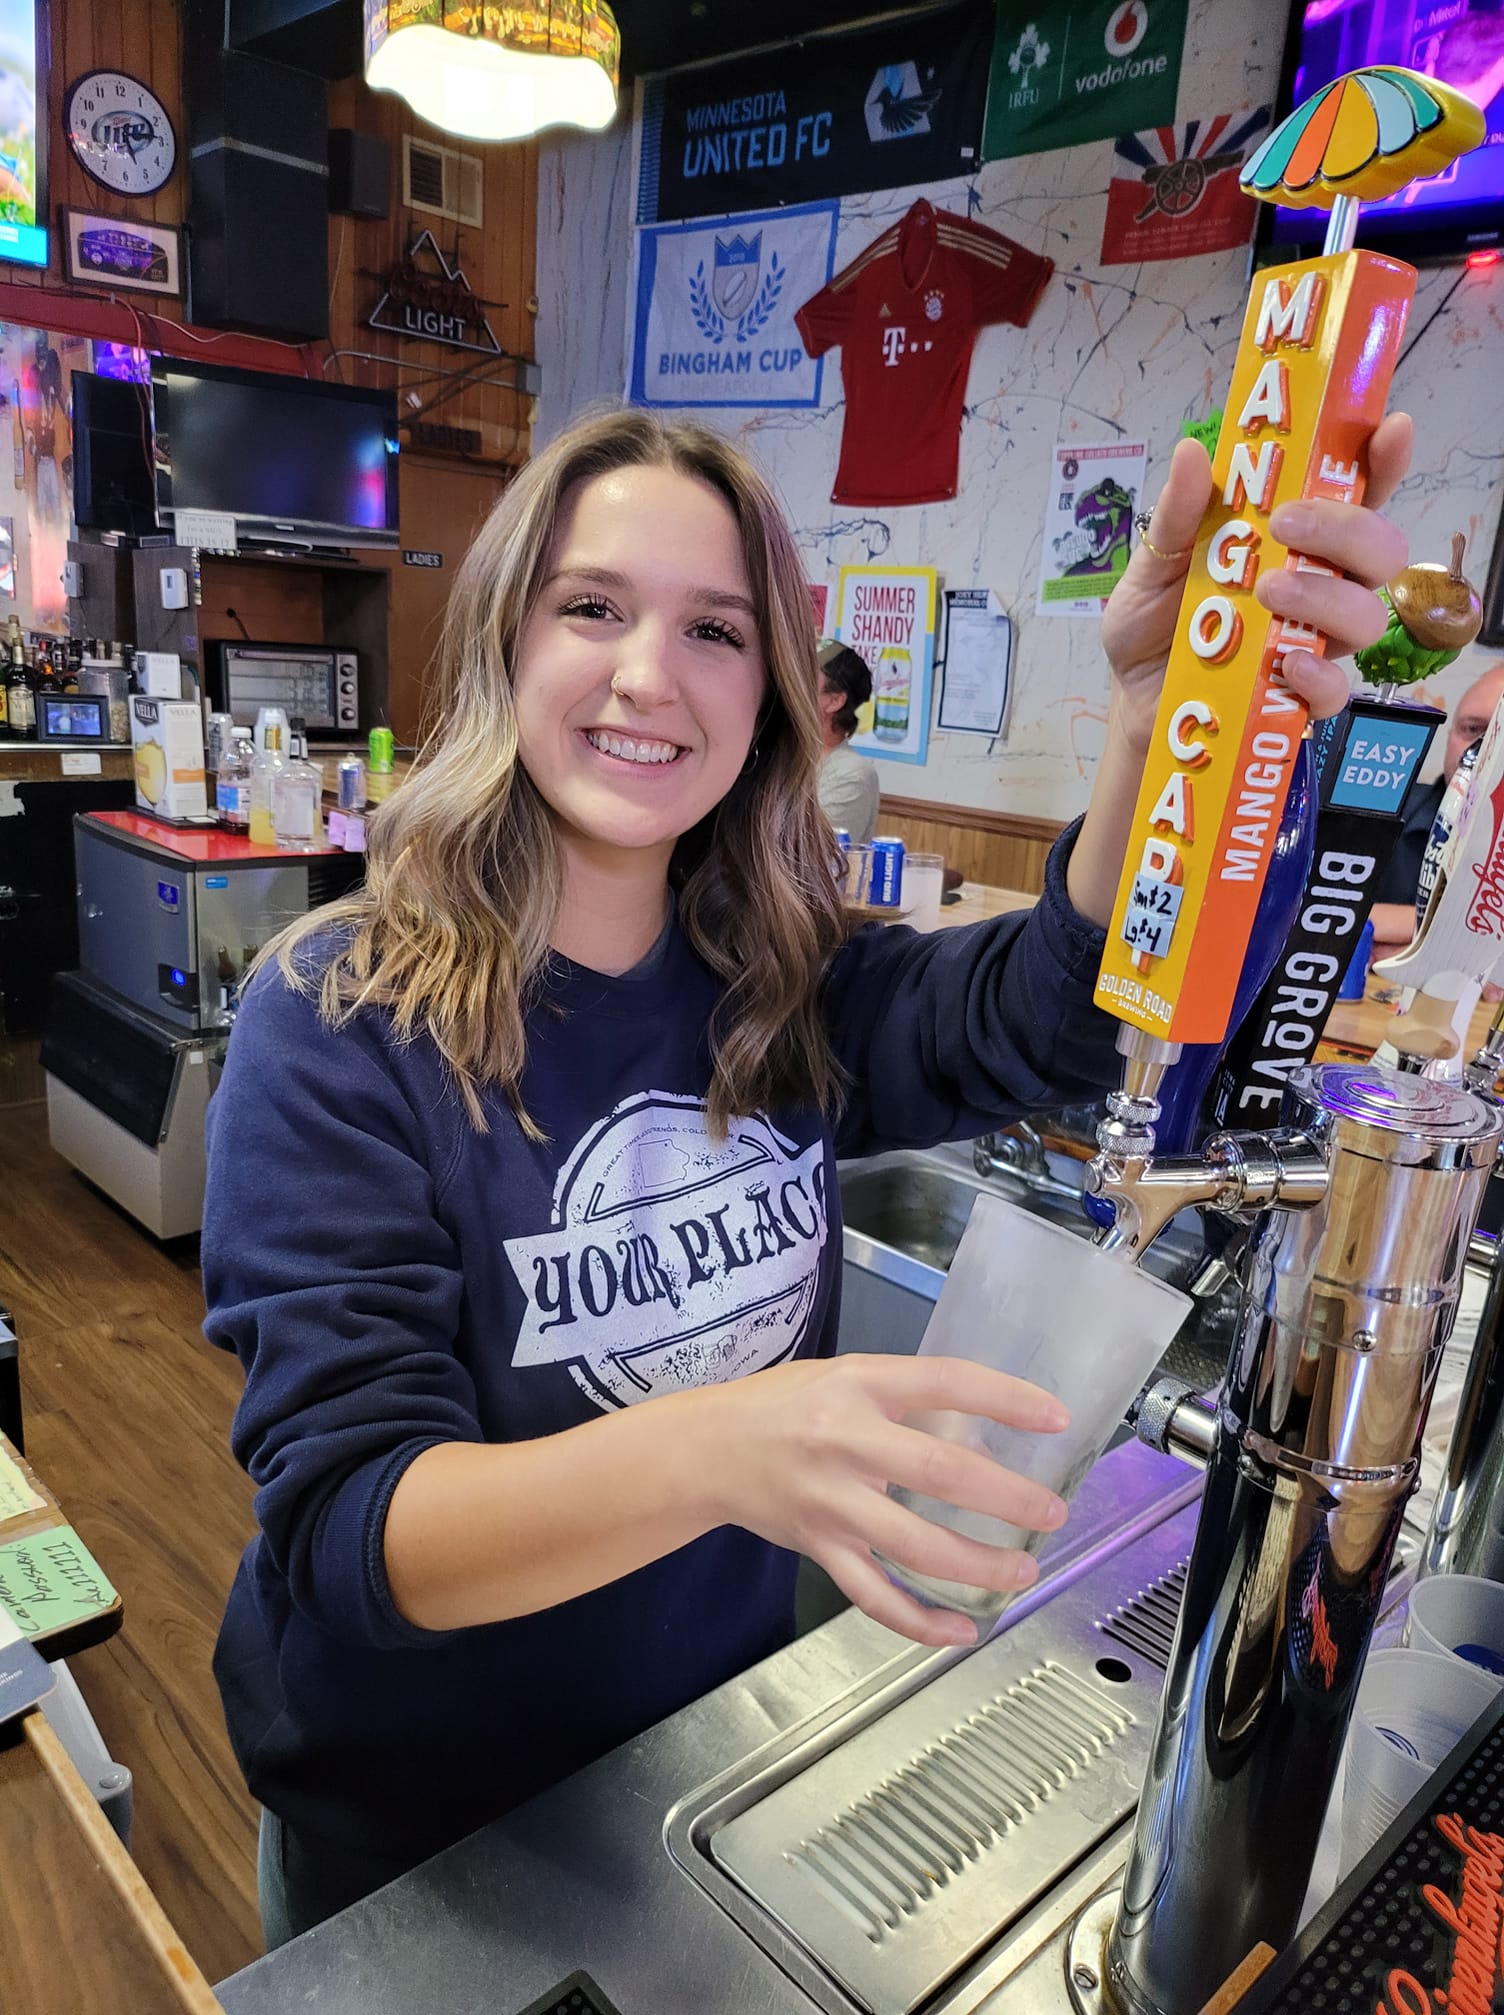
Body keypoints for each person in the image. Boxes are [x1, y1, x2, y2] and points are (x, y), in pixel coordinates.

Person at [202, 407, 1407, 1946]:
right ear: (504, 639)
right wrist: (722, 1448)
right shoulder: (340, 1019)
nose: (651, 673)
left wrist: (1153, 725)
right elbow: (354, 1527)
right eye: (592, 606)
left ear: (772, 691)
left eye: (715, 628)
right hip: (417, 1835)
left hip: (696, 1758)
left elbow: (1045, 1013)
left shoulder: (779, 983)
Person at [1368, 658, 1504, 965]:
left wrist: (1414, 939)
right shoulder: (1382, 811)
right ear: (1450, 734)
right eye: (1473, 729)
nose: (1482, 749)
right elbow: (1324, 916)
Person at [815, 637, 882, 844]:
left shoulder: (851, 773)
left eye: (803, 680)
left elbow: (808, 852)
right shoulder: (775, 752)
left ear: (834, 701)